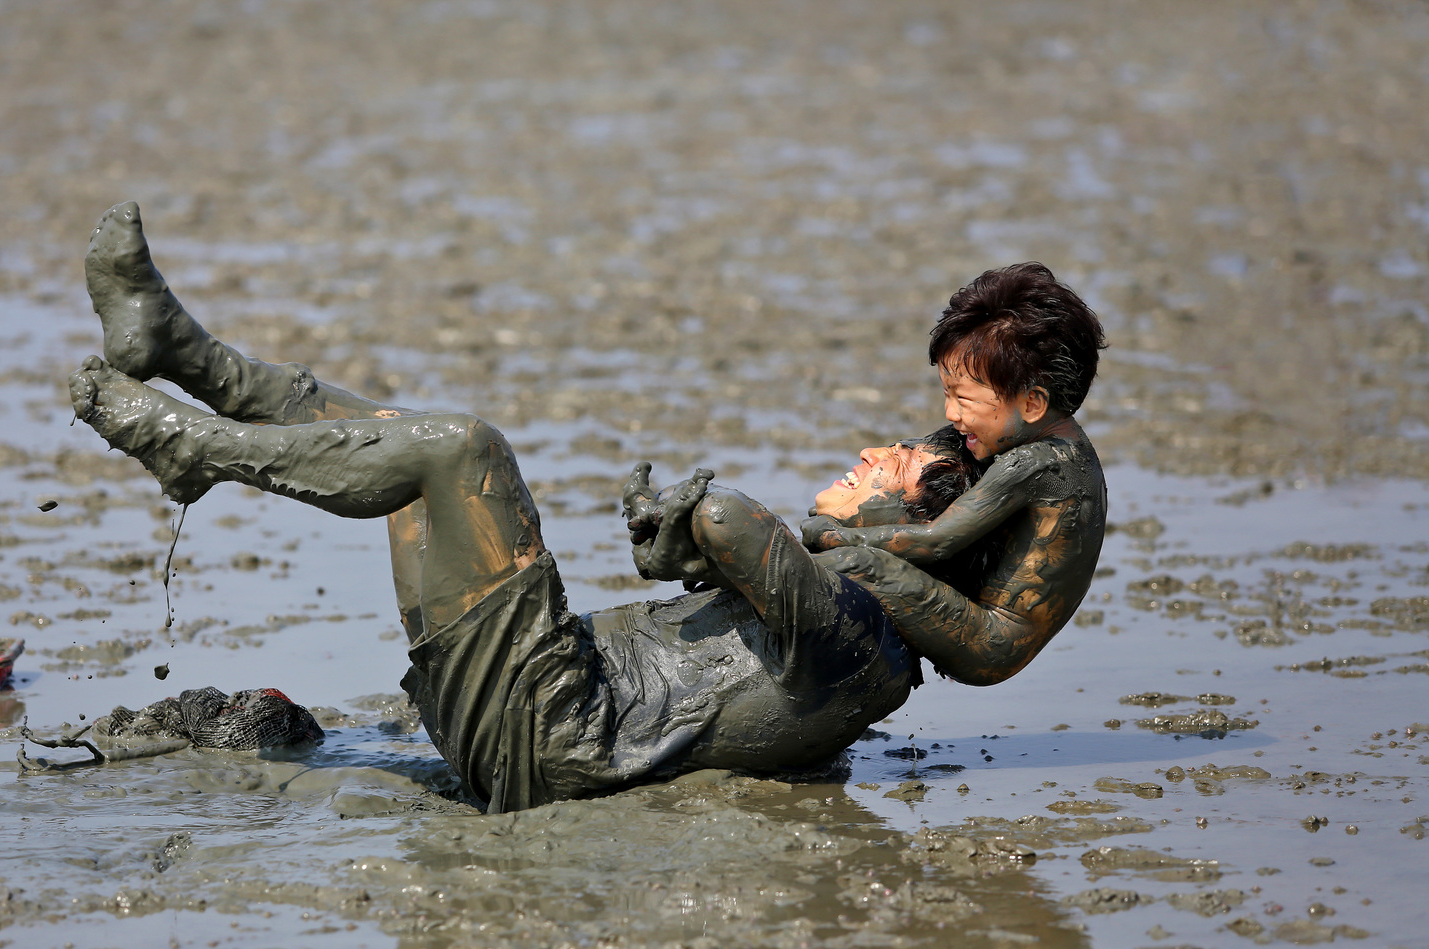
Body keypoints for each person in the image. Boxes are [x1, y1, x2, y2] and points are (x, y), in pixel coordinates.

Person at [71, 202, 987, 812]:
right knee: (403, 443)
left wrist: (699, 525)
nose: (872, 455)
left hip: (553, 727)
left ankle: (194, 450)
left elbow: (731, 521)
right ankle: (184, 352)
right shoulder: (846, 620)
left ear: (914, 524)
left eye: (898, 464)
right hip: (540, 714)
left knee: (464, 449)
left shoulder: (864, 634)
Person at [802, 263, 1109, 685]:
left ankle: (772, 567)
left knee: (861, 564)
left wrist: (831, 537)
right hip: (991, 631)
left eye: (962, 399)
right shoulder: (1072, 450)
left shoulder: (1035, 463)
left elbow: (938, 540)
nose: (950, 413)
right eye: (946, 394)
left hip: (990, 639)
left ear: (1032, 404)